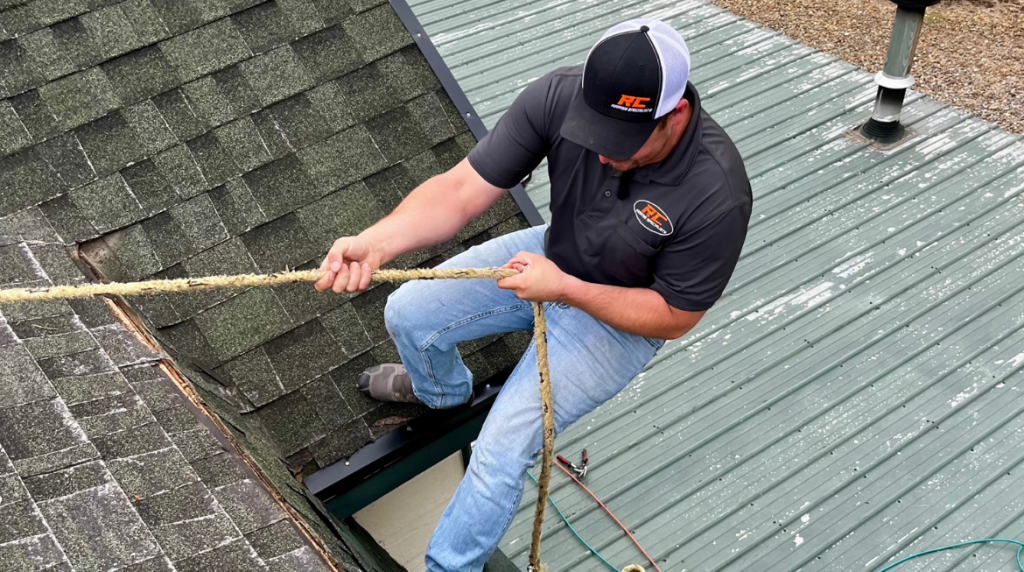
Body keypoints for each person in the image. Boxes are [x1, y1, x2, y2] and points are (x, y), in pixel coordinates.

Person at [314, 18, 752, 572]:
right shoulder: (557, 96)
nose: (602, 154)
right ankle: (443, 399)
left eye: (620, 142)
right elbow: (460, 190)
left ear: (677, 115)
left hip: (621, 321)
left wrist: (565, 289)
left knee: (501, 451)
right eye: (595, 133)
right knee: (408, 311)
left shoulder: (717, 192)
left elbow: (674, 316)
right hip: (549, 257)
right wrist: (376, 244)